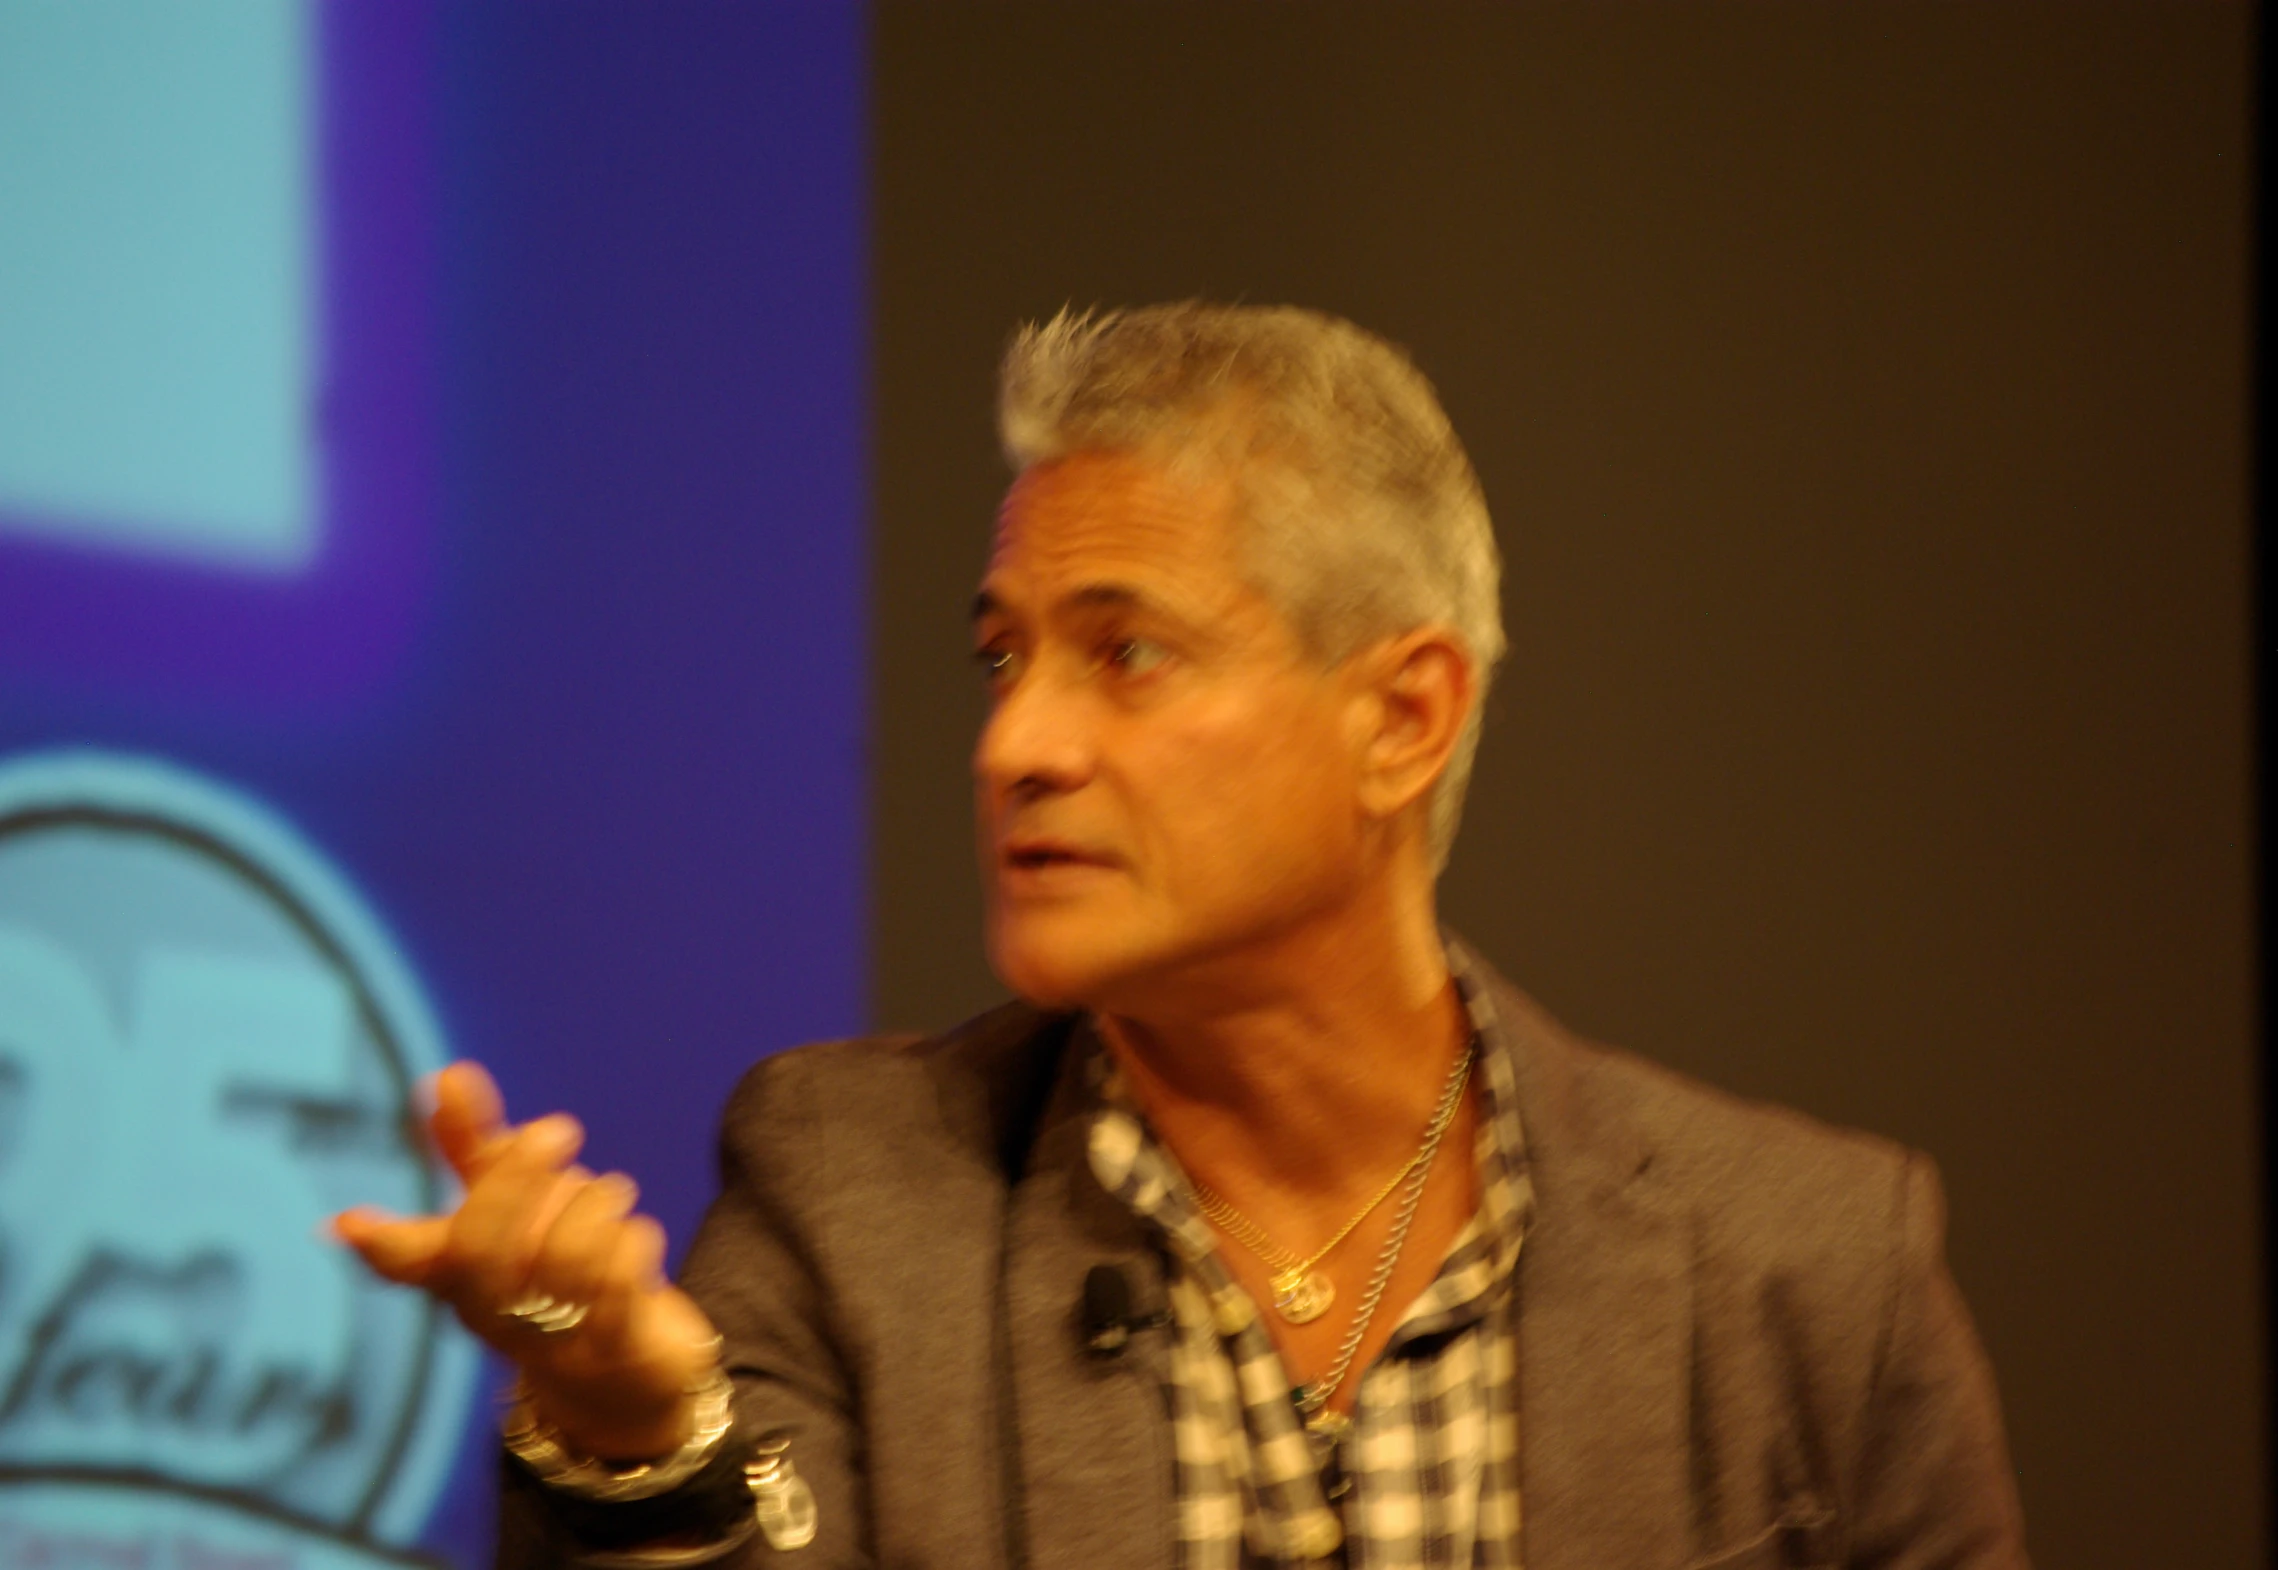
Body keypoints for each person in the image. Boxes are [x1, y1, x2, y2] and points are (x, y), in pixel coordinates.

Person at [336, 303, 2030, 1567]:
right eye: (1003, 656)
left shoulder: (1809, 1275)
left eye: (1124, 653)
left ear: (1404, 715)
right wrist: (634, 1428)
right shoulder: (853, 1195)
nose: (1016, 743)